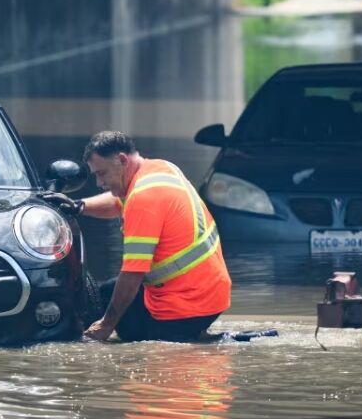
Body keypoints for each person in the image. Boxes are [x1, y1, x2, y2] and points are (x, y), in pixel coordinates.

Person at [43, 131, 231, 342]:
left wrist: (106, 325)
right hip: (209, 290)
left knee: (136, 346)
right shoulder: (160, 168)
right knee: (104, 294)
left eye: (102, 173)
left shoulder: (143, 199)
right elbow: (118, 202)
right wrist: (79, 207)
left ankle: (202, 339)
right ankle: (199, 335)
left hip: (187, 303)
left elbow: (132, 275)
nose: (99, 182)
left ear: (122, 160)